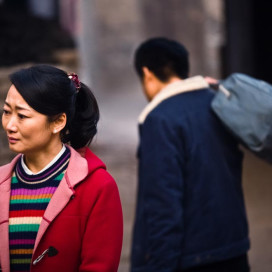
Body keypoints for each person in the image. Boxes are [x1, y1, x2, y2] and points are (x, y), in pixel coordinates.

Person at [130, 37, 250, 272]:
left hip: (192, 259)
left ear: (147, 73)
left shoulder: (159, 119)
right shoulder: (216, 104)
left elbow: (163, 203)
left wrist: (158, 265)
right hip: (233, 249)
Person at [0, 64, 123, 272]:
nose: (10, 125)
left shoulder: (98, 188)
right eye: (6, 112)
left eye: (22, 116)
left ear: (58, 122)